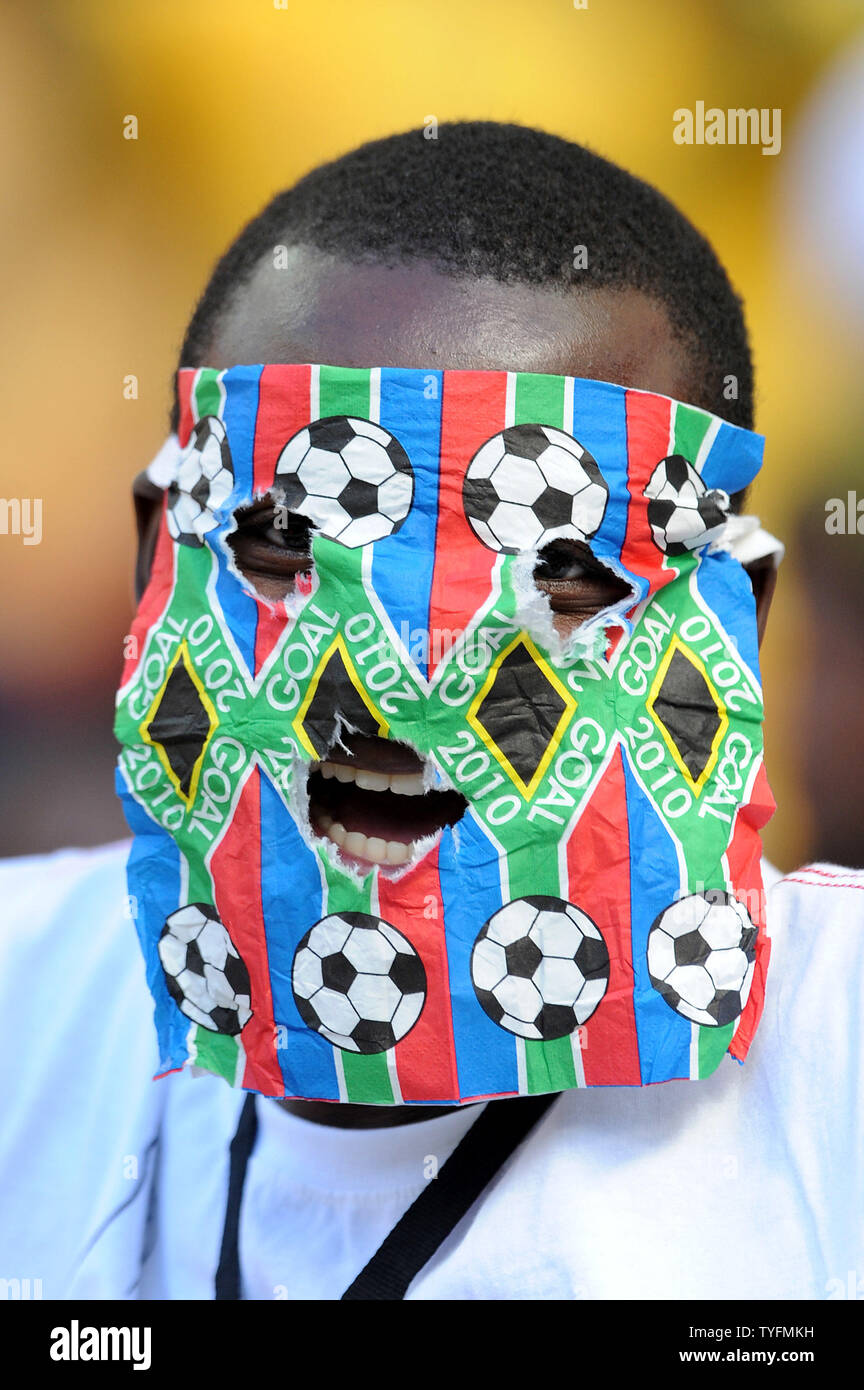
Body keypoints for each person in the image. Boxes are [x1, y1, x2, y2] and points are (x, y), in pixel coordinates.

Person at [1, 122, 861, 1302]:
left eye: (560, 577)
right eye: (282, 546)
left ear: (736, 616)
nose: (400, 679)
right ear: (161, 549)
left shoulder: (839, 1080)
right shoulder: (19, 1010)